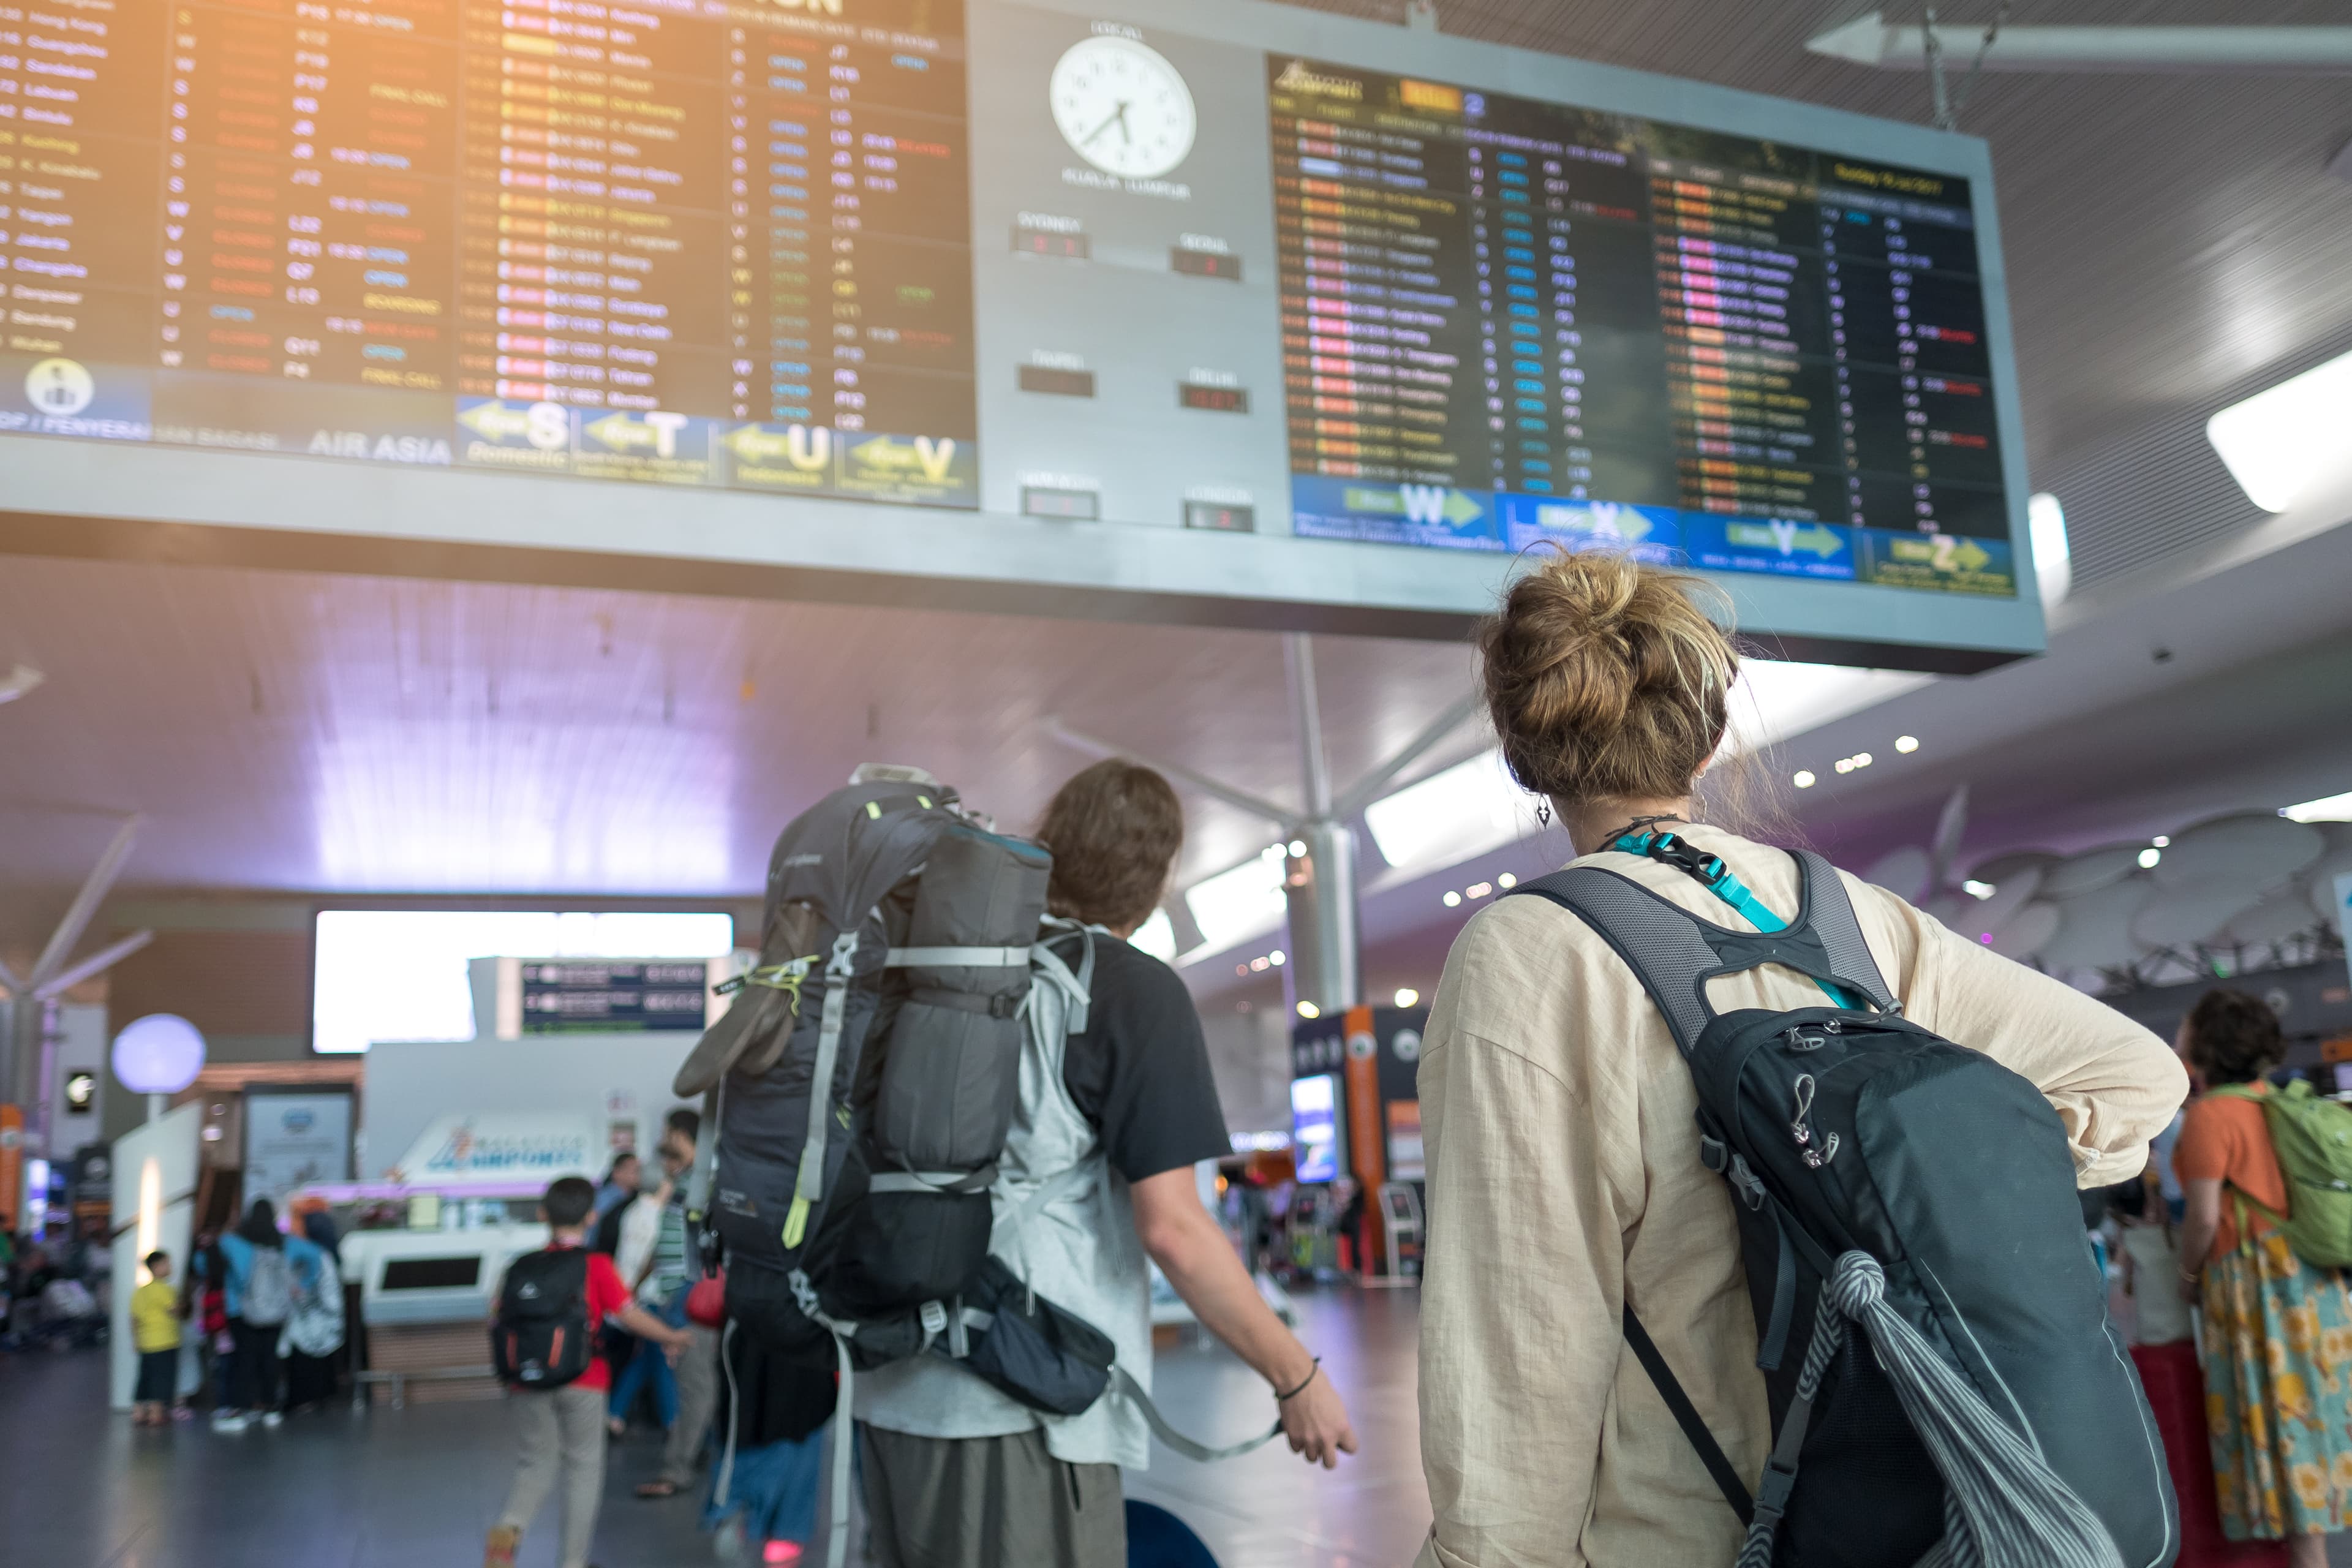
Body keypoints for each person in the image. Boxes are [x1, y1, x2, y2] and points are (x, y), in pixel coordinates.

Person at [1412, 550, 2188, 1568]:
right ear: (1707, 737)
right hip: (1913, 1512)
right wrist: (1933, 1199)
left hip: (1685, 1534)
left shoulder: (1529, 956)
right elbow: (2134, 1076)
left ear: (1523, 748)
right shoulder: (1849, 917)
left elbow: (1521, 1353)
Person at [858, 758, 1359, 1568]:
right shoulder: (1126, 988)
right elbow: (1176, 1230)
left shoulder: (940, 975)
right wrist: (1296, 1377)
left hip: (894, 1388)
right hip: (1024, 1400)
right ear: (1159, 876)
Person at [2173, 987, 2352, 1567]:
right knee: (2318, 1415)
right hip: (2312, 1281)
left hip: (2256, 1286)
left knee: (2281, 1422)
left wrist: (2187, 1275)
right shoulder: (2274, 1103)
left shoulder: (2209, 1116)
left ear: (2204, 1044)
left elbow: (2201, 1217)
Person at [484, 1174, 693, 1568]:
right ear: (592, 1216)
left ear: (543, 1214)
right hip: (585, 1378)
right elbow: (628, 1314)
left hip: (528, 1381)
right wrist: (673, 1337)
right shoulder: (595, 1265)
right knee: (583, 1466)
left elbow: (496, 1314)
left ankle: (508, 1529)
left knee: (535, 1462)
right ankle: (573, 1562)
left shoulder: (520, 1266)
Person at [623, 1109, 720, 1498]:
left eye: (669, 1135)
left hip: (691, 1295)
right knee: (694, 1384)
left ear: (683, 1136)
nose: (664, 1143)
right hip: (678, 1294)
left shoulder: (701, 1183)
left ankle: (677, 1469)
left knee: (695, 1386)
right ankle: (691, 1456)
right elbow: (663, 1245)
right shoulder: (682, 1185)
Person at [200, 1197, 325, 1431]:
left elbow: (202, 1265)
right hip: (276, 1311)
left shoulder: (231, 1241)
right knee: (270, 1358)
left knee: (243, 1359)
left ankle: (241, 1409)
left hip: (239, 1311)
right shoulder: (285, 1241)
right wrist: (302, 1284)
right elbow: (316, 1257)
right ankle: (270, 1408)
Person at [131, 1251, 181, 1427]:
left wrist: (136, 1340)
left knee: (145, 1377)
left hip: (146, 1342)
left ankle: (139, 1412)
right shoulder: (165, 1290)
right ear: (156, 1267)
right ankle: (156, 1414)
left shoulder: (141, 1291)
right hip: (165, 1341)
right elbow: (175, 1311)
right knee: (162, 1378)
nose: (170, 1267)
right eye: (167, 1263)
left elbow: (134, 1318)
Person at [595, 1151, 641, 1226]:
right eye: (635, 1171)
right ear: (617, 1173)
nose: (640, 1175)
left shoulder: (637, 1196)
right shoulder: (602, 1198)